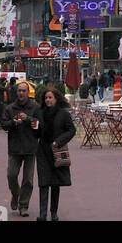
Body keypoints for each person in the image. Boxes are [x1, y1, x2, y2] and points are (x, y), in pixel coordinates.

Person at [35, 86, 76, 222]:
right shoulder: (39, 112)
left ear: (56, 99)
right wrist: (34, 128)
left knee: (55, 183)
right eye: (46, 98)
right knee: (43, 182)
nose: (48, 100)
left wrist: (58, 141)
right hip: (42, 150)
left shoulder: (63, 114)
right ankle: (42, 214)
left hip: (57, 150)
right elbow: (36, 132)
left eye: (50, 97)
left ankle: (53, 213)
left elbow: (71, 130)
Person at [5, 80, 42, 217]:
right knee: (11, 175)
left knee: (28, 179)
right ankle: (16, 194)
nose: (21, 93)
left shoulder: (35, 107)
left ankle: (23, 205)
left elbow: (39, 124)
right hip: (15, 147)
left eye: (23, 91)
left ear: (28, 92)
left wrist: (28, 119)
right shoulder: (10, 108)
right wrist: (12, 122)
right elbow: (3, 124)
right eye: (19, 91)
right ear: (17, 92)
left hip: (30, 147)